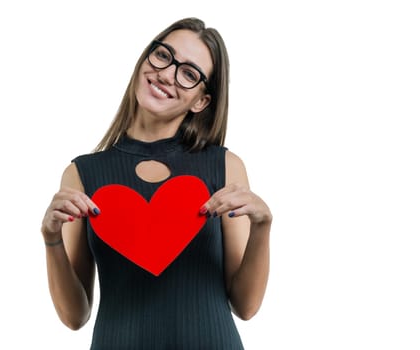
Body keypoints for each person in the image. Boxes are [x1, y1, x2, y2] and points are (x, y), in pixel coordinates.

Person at [41, 17, 272, 349]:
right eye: (164, 55)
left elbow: (246, 306)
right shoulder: (82, 174)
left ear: (201, 101)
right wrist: (51, 240)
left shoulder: (225, 167)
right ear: (145, 58)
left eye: (189, 74)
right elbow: (74, 317)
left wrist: (262, 226)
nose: (167, 74)